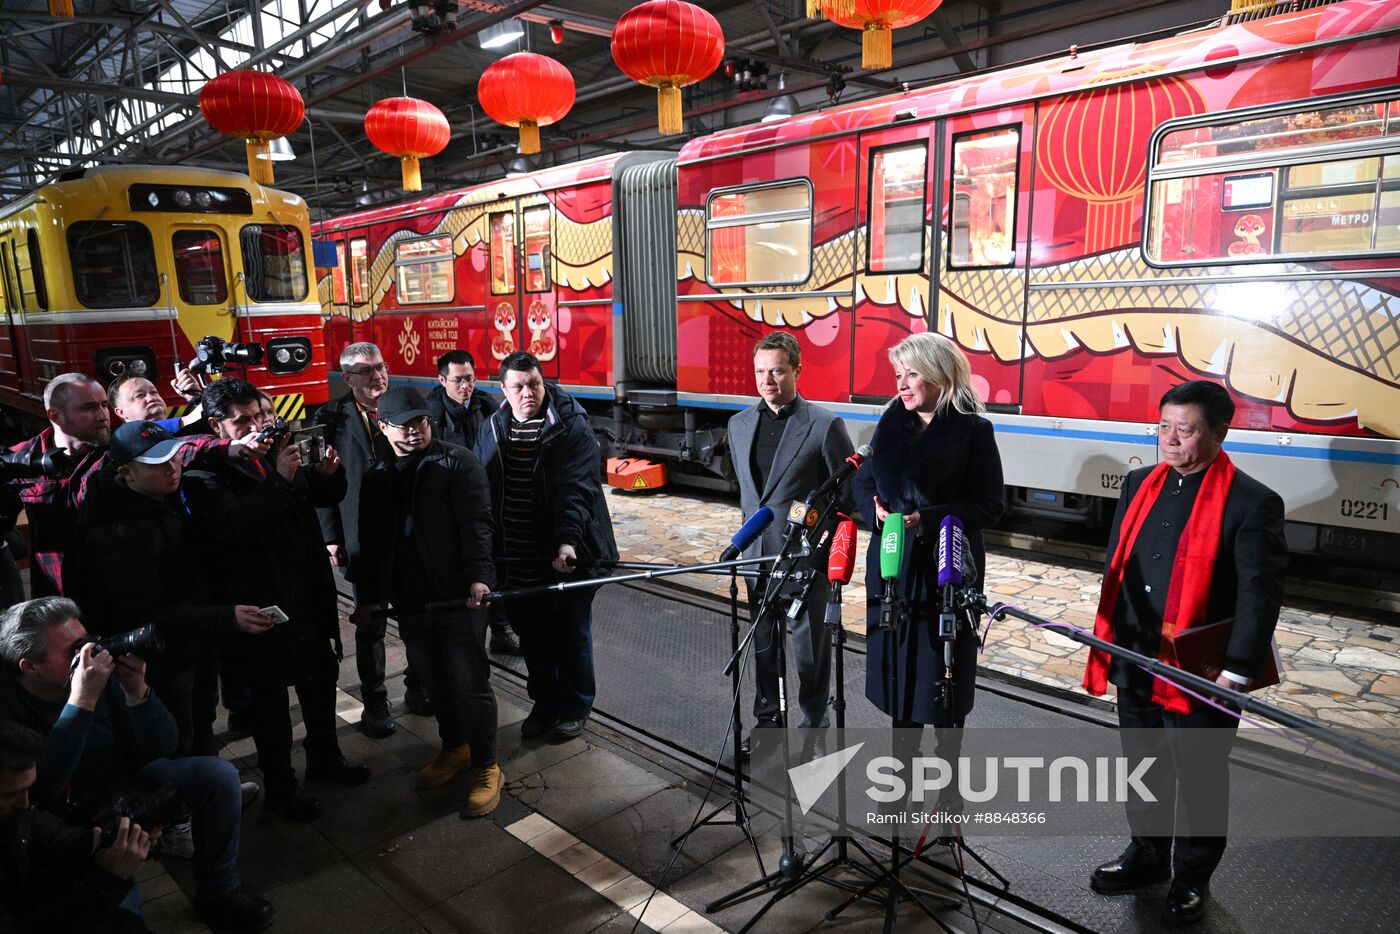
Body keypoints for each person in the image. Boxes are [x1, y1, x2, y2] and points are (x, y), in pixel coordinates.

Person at [1084, 380, 1287, 926]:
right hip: (1135, 653)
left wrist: (1239, 669)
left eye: (1186, 429)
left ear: (1219, 433)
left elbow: (1258, 592)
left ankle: (1192, 875)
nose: (1170, 439)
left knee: (1199, 774)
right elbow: (1118, 566)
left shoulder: (1252, 501)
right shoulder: (1137, 483)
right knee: (1143, 762)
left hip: (1201, 669)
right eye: (1164, 426)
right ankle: (1147, 855)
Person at [0, 598, 275, 931]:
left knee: (217, 775)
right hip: (63, 826)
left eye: (87, 641)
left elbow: (163, 745)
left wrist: (137, 692)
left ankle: (221, 889)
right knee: (124, 920)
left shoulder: (97, 677)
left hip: (120, 788)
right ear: (29, 667)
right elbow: (44, 787)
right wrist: (82, 698)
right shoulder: (10, 712)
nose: (89, 653)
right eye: (72, 650)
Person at [182, 379, 370, 821]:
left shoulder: (275, 452)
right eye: (242, 420)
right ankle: (282, 787)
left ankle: (325, 760)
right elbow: (235, 530)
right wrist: (282, 478)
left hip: (307, 593)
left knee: (320, 681)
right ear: (216, 426)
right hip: (262, 604)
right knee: (269, 704)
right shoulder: (205, 474)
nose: (257, 426)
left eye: (261, 415)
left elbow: (316, 498)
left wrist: (327, 475)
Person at [61, 421, 274, 756]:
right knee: (175, 739)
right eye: (157, 464)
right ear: (126, 472)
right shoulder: (115, 534)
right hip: (159, 660)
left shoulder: (154, 498)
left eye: (174, 458)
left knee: (201, 720)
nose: (172, 469)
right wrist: (225, 617)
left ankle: (208, 785)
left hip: (190, 645)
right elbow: (146, 613)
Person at [356, 386, 503, 817]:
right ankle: (454, 747)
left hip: (460, 598)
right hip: (411, 600)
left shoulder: (458, 462)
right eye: (404, 425)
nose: (415, 431)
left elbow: (479, 525)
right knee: (433, 677)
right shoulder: (377, 476)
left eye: (421, 421)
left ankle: (486, 764)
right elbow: (372, 541)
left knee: (469, 681)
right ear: (382, 427)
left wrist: (480, 578)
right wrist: (369, 598)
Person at [853, 333, 1004, 731]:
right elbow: (863, 482)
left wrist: (927, 518)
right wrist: (875, 507)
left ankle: (947, 785)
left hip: (946, 568)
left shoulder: (973, 431)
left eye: (912, 374)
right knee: (898, 672)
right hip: (892, 563)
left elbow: (989, 505)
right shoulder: (889, 425)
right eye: (898, 374)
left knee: (941, 677)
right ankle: (901, 779)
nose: (901, 384)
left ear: (940, 375)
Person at [10, 373, 265, 599]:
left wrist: (231, 448)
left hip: (113, 592)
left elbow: (186, 448)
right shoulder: (21, 461)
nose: (102, 416)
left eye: (103, 405)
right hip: (56, 592)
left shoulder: (118, 449)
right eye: (89, 408)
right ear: (55, 415)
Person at [477, 352, 618, 742]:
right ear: (503, 391)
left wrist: (567, 540)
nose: (528, 393)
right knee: (533, 637)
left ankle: (574, 707)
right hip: (515, 557)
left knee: (570, 635)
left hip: (566, 556)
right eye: (519, 386)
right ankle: (544, 702)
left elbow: (578, 488)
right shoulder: (491, 426)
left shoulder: (570, 425)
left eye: (534, 384)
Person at [726, 332, 855, 752]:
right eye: (761, 371)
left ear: (797, 371)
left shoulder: (823, 425)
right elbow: (750, 496)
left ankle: (810, 727)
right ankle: (768, 725)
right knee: (763, 646)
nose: (768, 380)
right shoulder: (739, 424)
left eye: (778, 370)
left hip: (803, 560)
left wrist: (821, 555)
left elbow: (846, 497)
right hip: (755, 558)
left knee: (809, 652)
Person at [315, 342, 429, 735]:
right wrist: (331, 536)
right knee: (371, 623)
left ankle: (418, 687)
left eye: (380, 367)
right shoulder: (330, 417)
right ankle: (376, 701)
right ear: (347, 379)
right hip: (362, 534)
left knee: (416, 618)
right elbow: (321, 482)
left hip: (408, 534)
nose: (377, 376)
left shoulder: (406, 405)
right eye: (366, 371)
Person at [0, 720, 153, 934]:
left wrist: (109, 838)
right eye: (10, 794)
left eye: (28, 789)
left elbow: (56, 839)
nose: (25, 803)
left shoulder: (14, 814)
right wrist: (106, 879)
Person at [427, 350, 522, 658]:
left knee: (495, 561)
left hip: (488, 499)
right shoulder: (431, 413)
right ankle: (467, 643)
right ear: (442, 380)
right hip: (451, 504)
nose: (465, 386)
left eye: (470, 378)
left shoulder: (487, 405)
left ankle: (502, 629)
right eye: (458, 380)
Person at [107, 369, 204, 432]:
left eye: (154, 392)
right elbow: (192, 419)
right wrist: (202, 400)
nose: (151, 398)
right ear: (121, 412)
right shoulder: (130, 436)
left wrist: (195, 397)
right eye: (139, 396)